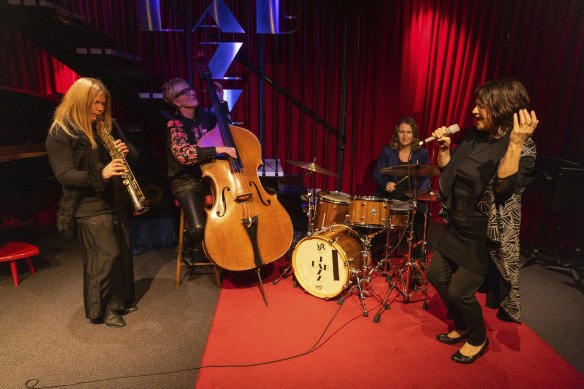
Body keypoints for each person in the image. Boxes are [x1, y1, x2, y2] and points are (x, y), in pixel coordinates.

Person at [425, 79, 538, 364]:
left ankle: (477, 338)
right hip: (457, 227)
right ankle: (462, 325)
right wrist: (444, 148)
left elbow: (503, 187)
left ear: (501, 110)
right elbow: (450, 173)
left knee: (459, 291)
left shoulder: (523, 147)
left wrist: (514, 143)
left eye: (482, 107)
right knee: (435, 276)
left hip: (482, 237)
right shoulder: (475, 136)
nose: (474, 111)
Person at [46, 77, 137, 328]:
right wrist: (102, 173)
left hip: (115, 200)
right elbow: (65, 175)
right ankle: (103, 310)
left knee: (121, 254)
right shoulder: (61, 132)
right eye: (95, 103)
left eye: (102, 104)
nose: (99, 109)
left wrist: (125, 151)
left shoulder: (107, 125)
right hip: (88, 205)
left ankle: (121, 301)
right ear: (79, 101)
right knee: (105, 257)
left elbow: (134, 155)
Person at [161, 78, 236, 266]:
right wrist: (218, 150)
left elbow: (226, 127)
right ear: (176, 102)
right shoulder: (174, 124)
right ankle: (188, 244)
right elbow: (183, 155)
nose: (191, 92)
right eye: (184, 92)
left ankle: (229, 248)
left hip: (211, 175)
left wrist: (220, 101)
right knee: (198, 227)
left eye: (190, 88)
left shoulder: (205, 115)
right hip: (186, 181)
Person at [373, 117, 431, 244]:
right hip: (390, 194)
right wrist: (386, 183)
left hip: (411, 195)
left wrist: (419, 193)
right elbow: (378, 174)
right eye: (401, 132)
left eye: (409, 132)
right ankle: (380, 245)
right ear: (396, 133)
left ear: (414, 135)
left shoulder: (422, 153)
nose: (405, 136)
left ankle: (417, 248)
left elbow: (426, 177)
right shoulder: (387, 151)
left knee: (422, 213)